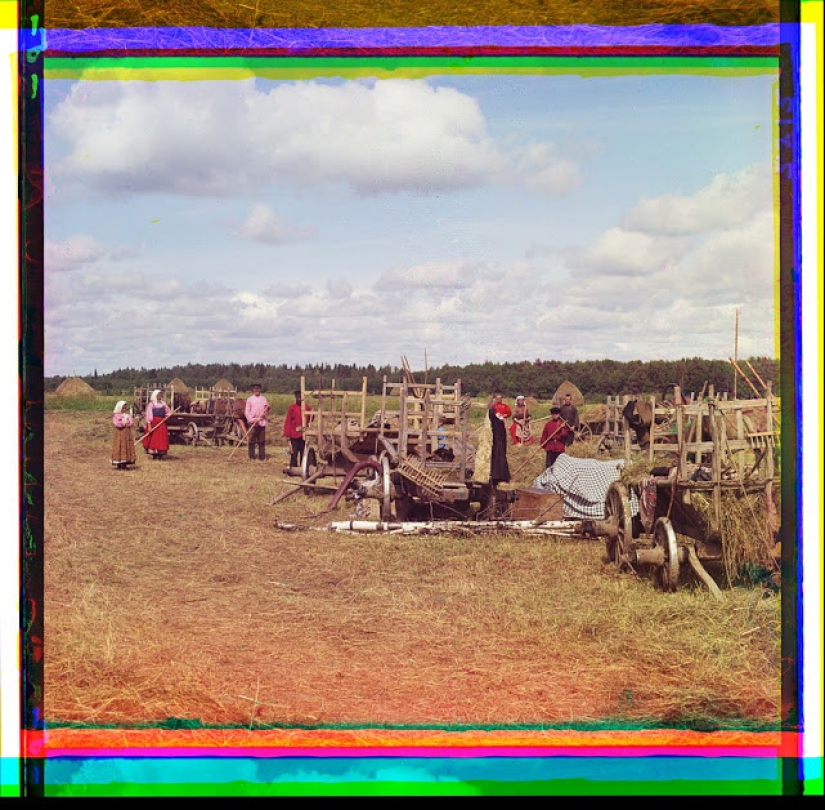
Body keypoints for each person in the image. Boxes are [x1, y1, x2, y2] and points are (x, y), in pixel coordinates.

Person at [283, 389, 311, 468]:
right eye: (297, 397)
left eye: (300, 397)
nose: (299, 398)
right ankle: (293, 467)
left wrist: (307, 428)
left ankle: (303, 467)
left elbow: (311, 418)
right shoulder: (292, 408)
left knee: (303, 452)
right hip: (294, 434)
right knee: (294, 452)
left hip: (304, 434)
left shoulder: (307, 408)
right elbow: (288, 421)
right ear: (295, 397)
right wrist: (287, 434)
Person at [143, 389, 171, 460]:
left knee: (161, 438)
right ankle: (154, 455)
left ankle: (160, 454)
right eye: (158, 395)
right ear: (155, 396)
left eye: (160, 395)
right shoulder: (151, 404)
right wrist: (149, 426)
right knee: (154, 438)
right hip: (154, 423)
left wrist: (167, 417)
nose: (159, 396)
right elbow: (149, 415)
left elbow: (168, 412)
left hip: (161, 423)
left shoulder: (163, 404)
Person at [244, 383, 270, 461]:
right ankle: (252, 457)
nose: (256, 390)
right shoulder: (250, 399)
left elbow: (267, 411)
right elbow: (247, 412)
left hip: (261, 422)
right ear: (253, 390)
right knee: (252, 440)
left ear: (260, 389)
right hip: (253, 422)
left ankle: (262, 457)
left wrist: (267, 410)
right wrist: (252, 420)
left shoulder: (263, 399)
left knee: (261, 440)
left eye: (258, 388)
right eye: (255, 389)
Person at [488, 399, 511, 484]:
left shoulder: (497, 422)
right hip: (497, 444)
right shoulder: (495, 421)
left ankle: (498, 476)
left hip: (497, 445)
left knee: (498, 460)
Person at [111, 400, 136, 470]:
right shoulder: (116, 416)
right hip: (120, 433)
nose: (124, 409)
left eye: (125, 408)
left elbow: (131, 423)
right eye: (123, 408)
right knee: (120, 447)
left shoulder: (127, 415)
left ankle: (124, 464)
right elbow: (117, 423)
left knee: (126, 447)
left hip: (127, 434)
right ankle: (119, 463)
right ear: (119, 408)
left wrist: (129, 423)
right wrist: (124, 423)